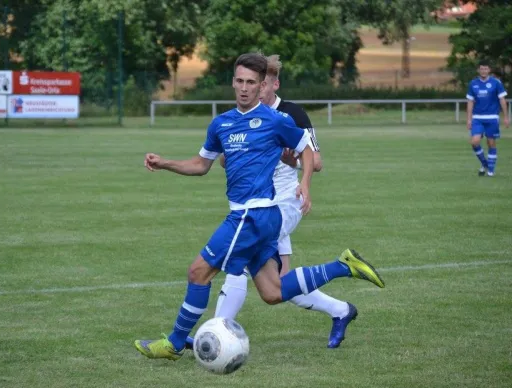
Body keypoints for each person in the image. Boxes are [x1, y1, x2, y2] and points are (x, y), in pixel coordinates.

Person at [134, 53, 385, 361]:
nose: (243, 88)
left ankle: (174, 343)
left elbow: (307, 148)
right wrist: (166, 163)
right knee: (273, 291)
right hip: (254, 217)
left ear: (262, 85)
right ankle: (342, 266)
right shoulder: (221, 123)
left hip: (251, 215)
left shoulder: (274, 120)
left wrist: (304, 183)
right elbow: (201, 165)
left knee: (198, 272)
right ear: (232, 82)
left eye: (250, 82)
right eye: (239, 81)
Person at [184, 54, 357, 350]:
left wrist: (291, 163)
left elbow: (315, 162)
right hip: (258, 203)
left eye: (257, 84)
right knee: (277, 284)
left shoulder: (289, 116)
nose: (250, 90)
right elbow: (224, 161)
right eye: (243, 82)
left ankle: (211, 336)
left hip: (282, 204)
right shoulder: (242, 120)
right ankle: (340, 309)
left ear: (271, 85)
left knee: (237, 264)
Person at [466, 60, 509, 177]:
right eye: (481, 69)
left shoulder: (496, 83)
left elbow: (502, 100)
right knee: (474, 142)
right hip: (477, 118)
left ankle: (491, 170)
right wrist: (469, 119)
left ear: (489, 70)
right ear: (478, 70)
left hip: (492, 118)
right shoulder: (473, 84)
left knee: (491, 143)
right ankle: (485, 164)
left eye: (485, 69)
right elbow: (470, 102)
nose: (483, 71)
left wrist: (506, 117)